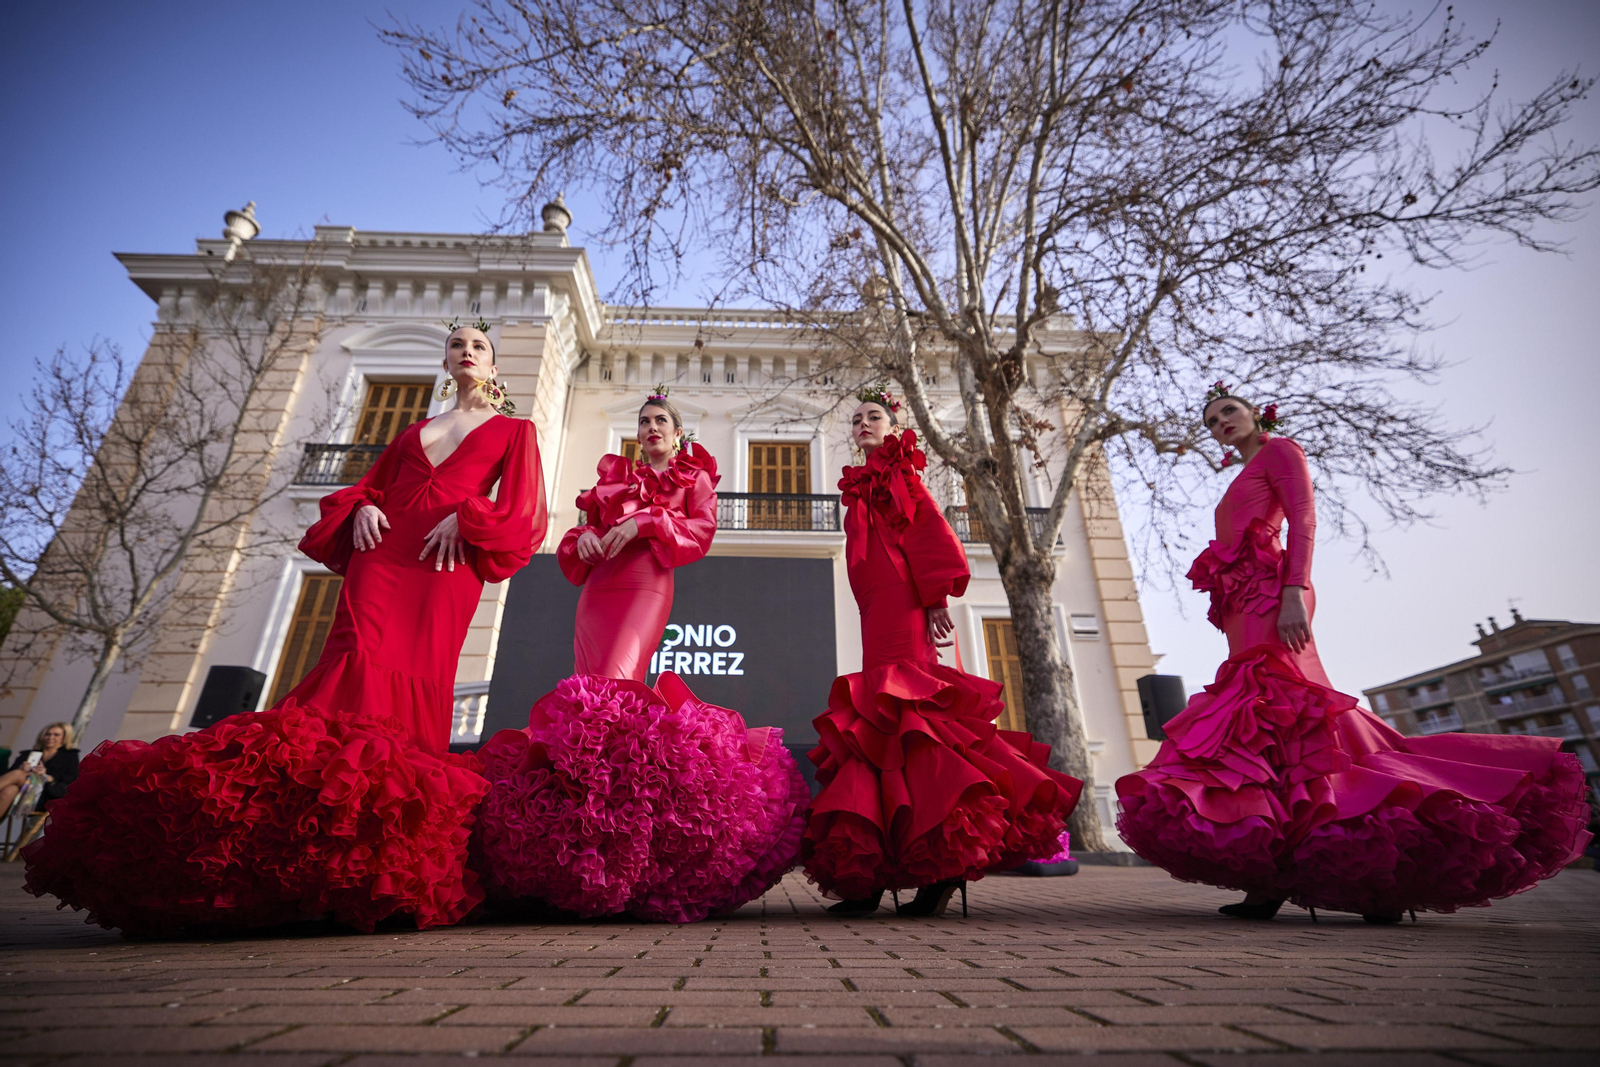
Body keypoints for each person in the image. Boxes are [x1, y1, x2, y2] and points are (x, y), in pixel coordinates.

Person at [22, 321, 548, 935]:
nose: (466, 352)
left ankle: (383, 852)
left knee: (421, 675)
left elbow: (525, 509)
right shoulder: (413, 431)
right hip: (381, 554)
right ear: (446, 359)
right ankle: (312, 832)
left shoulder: (515, 430)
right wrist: (365, 506)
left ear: (492, 366)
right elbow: (368, 488)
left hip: (442, 564)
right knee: (353, 654)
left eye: (478, 347)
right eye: (457, 344)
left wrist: (472, 515)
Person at [1115, 384, 1591, 922]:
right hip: (1244, 603)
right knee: (1263, 727)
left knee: (1287, 710)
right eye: (1211, 421)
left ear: (1256, 414)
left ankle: (1374, 864)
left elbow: (1304, 520)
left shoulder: (1281, 451)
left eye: (1229, 411)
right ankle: (1271, 877)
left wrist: (1294, 590)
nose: (1220, 421)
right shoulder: (1242, 473)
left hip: (1275, 592)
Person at [471, 388, 810, 922]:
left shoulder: (692, 479)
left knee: (614, 694)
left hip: (646, 586)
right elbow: (583, 531)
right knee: (585, 706)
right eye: (645, 421)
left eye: (662, 421)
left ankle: (616, 852)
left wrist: (647, 521)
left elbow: (701, 532)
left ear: (678, 433)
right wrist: (582, 538)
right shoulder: (613, 478)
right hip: (597, 592)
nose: (652, 428)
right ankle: (585, 852)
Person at [802, 387, 1082, 918]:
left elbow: (928, 527)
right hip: (875, 611)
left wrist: (932, 601)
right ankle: (885, 867)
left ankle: (941, 864)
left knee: (911, 718)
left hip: (903, 607)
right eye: (857, 418)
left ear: (893, 424)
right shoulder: (863, 483)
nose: (863, 423)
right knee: (882, 722)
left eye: (874, 416)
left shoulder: (897, 472)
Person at [1, 722, 78, 816]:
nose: (50, 737)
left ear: (64, 738)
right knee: (10, 790)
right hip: (20, 793)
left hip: (44, 794)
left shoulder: (70, 756)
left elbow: (72, 781)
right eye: (47, 734)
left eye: (56, 735)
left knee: (18, 774)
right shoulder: (28, 754)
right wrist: (21, 768)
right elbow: (8, 775)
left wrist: (48, 777)